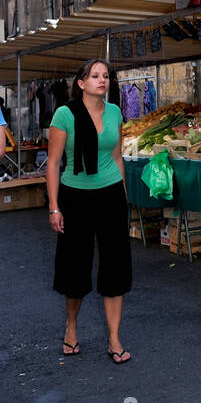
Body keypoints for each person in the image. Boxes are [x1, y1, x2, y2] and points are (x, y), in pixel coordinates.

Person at [45, 60, 132, 363]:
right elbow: (54, 164)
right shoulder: (64, 115)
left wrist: (123, 195)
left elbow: (117, 156)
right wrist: (54, 207)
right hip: (75, 196)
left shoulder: (114, 112)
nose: (102, 80)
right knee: (75, 267)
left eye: (106, 76)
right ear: (81, 83)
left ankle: (114, 338)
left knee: (116, 267)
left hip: (110, 196)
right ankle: (71, 327)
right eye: (95, 76)